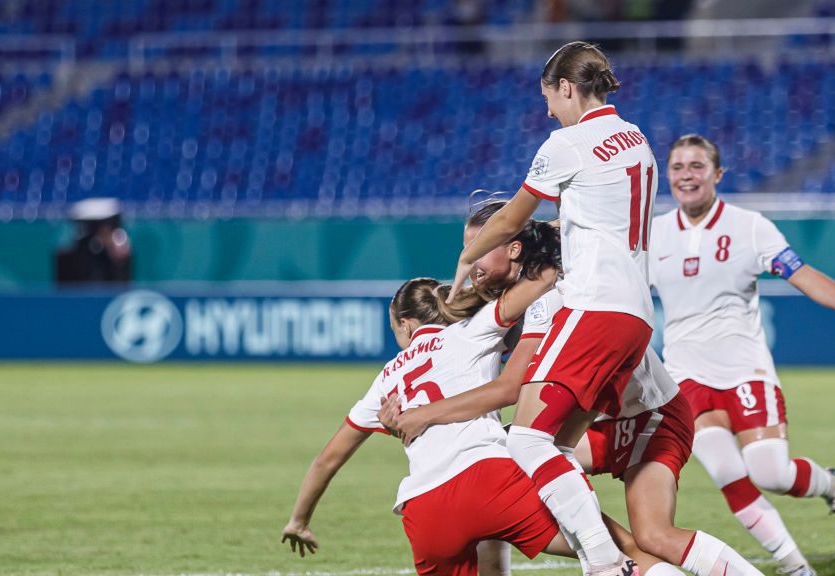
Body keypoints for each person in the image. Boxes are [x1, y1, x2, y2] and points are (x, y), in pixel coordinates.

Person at [446, 41, 715, 576]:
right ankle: (641, 567)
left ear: (566, 87)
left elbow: (508, 222)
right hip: (636, 313)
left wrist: (463, 261)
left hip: (595, 306)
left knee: (524, 438)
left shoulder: (566, 143)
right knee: (556, 449)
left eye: (548, 96)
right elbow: (592, 218)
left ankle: (602, 562)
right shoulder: (635, 138)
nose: (548, 109)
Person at [390, 201, 763, 576]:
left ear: (514, 248)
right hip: (600, 423)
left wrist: (422, 415)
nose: (470, 263)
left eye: (480, 248)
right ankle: (608, 557)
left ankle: (606, 559)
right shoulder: (510, 303)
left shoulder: (551, 295)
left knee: (654, 536)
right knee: (496, 466)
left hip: (650, 416)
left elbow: (509, 388)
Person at [280, 275, 686, 576]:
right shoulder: (472, 331)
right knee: (618, 550)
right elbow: (537, 284)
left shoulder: (385, 379)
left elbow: (326, 460)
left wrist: (299, 520)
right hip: (491, 478)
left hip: (424, 510)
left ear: (405, 324)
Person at [648, 134, 835, 576]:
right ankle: (795, 567)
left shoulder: (749, 227)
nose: (686, 175)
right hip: (686, 376)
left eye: (697, 166)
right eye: (678, 167)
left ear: (717, 174)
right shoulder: (654, 234)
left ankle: (831, 485)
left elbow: (802, 274)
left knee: (771, 474)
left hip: (744, 369)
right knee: (727, 475)